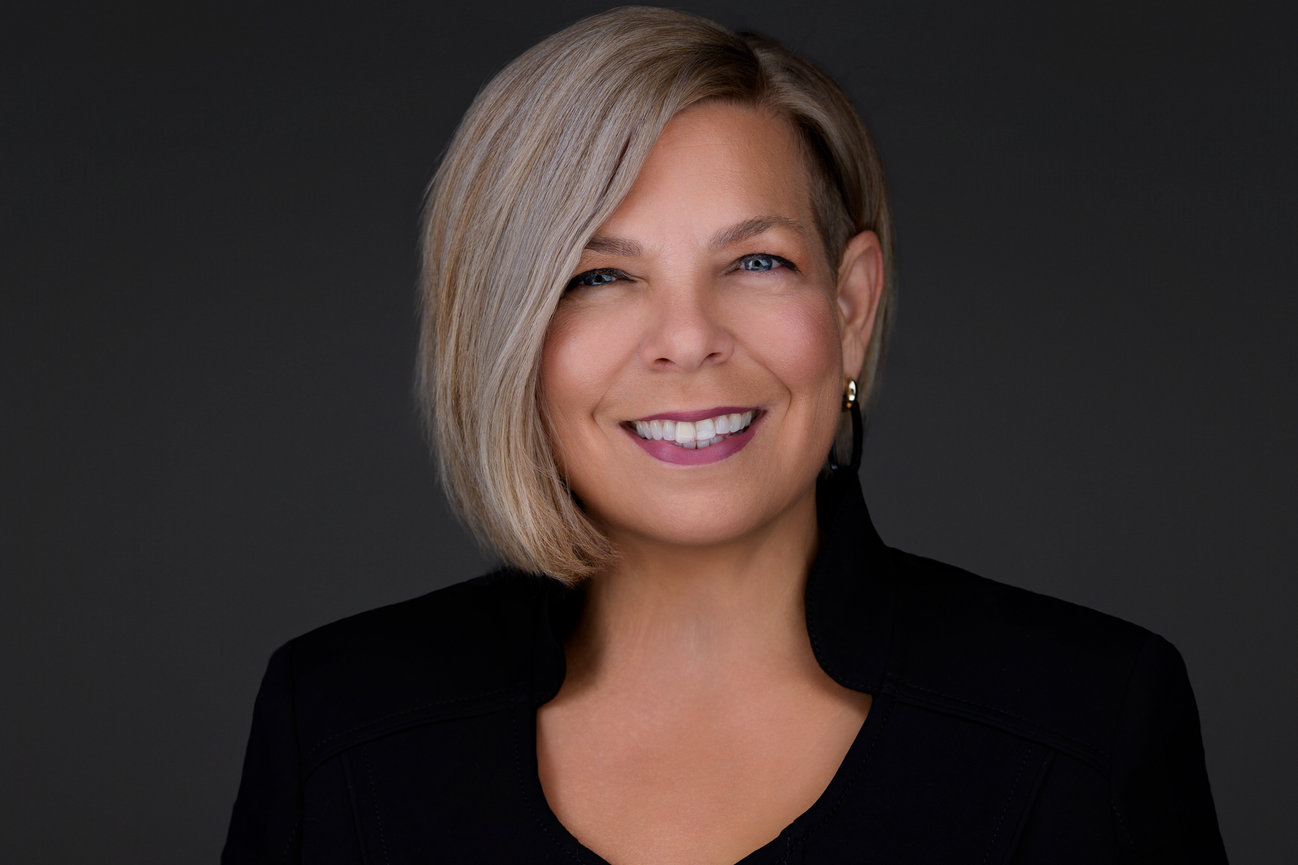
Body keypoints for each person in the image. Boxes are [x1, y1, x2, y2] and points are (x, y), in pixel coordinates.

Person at [223, 7, 1227, 863]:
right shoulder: (339, 727)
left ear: (850, 307)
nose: (688, 339)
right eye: (598, 276)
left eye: (753, 263)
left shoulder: (1088, 717)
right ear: (506, 336)